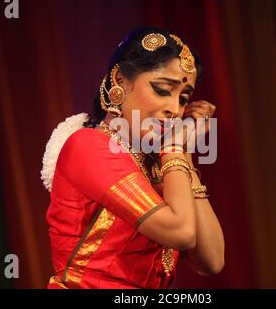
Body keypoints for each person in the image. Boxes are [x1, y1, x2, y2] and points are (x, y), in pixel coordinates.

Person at [41, 27, 224, 289]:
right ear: (121, 81)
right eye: (162, 90)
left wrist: (184, 152)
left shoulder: (157, 162)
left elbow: (211, 260)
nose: (175, 109)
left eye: (183, 98)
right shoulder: (88, 146)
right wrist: (174, 147)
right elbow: (181, 233)